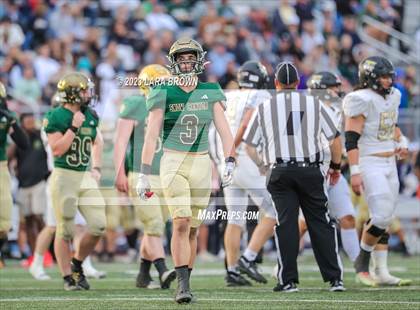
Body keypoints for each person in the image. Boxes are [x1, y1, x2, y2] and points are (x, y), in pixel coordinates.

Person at [137, 38, 235, 303]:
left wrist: (230, 160)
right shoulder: (163, 90)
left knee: (192, 228)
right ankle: (181, 285)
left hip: (202, 163)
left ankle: (186, 281)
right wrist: (144, 172)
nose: (186, 62)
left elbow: (225, 131)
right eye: (181, 58)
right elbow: (151, 134)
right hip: (172, 161)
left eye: (191, 57)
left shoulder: (211, 90)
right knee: (180, 223)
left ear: (199, 60)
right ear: (173, 62)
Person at [243, 62, 345, 292]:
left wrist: (262, 165)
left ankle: (288, 280)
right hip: (309, 169)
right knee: (320, 222)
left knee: (286, 224)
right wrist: (336, 167)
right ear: (298, 83)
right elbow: (335, 140)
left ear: (276, 83)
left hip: (279, 170)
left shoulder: (265, 106)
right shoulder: (315, 103)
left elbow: (249, 145)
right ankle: (334, 278)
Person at [343, 56, 412, 287]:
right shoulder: (360, 99)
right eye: (383, 76)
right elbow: (351, 138)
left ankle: (381, 270)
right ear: (370, 79)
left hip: (390, 161)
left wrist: (401, 140)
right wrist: (354, 171)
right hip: (369, 161)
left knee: (386, 217)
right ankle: (362, 262)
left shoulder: (393, 96)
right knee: (381, 214)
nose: (389, 80)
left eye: (390, 76)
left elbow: (390, 125)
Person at [209, 60, 276, 286]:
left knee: (235, 218)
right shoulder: (259, 96)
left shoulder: (227, 95)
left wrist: (220, 160)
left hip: (226, 165)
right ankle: (247, 258)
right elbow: (247, 123)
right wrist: (231, 150)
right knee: (274, 213)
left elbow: (212, 132)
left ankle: (232, 270)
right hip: (243, 158)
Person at [114, 64, 176, 289]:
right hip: (141, 174)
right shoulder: (135, 104)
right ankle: (162, 270)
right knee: (154, 224)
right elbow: (120, 142)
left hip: (165, 174)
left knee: (155, 228)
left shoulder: (170, 106)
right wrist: (120, 172)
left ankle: (143, 274)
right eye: (162, 83)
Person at [43, 72, 106, 290]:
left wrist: (96, 167)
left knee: (98, 225)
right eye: (84, 90)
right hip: (64, 176)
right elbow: (57, 149)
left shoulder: (90, 114)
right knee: (65, 230)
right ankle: (67, 277)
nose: (89, 93)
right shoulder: (55, 116)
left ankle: (77, 263)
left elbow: (98, 142)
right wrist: (73, 128)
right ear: (72, 93)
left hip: (84, 175)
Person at [301, 71, 360, 263]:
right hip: (312, 172)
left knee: (348, 217)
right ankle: (283, 266)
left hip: (333, 173)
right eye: (334, 88)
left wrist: (338, 156)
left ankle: (360, 267)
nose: (338, 91)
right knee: (303, 224)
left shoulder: (335, 109)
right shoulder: (306, 110)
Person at [10, 113, 49, 255]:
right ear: (22, 124)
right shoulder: (19, 141)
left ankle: (47, 252)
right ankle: (34, 254)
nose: (32, 124)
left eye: (33, 121)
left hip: (39, 182)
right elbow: (9, 157)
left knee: (39, 217)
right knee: (28, 220)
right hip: (23, 185)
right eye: (28, 122)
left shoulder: (41, 136)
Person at [0, 82, 29, 268]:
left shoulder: (6, 117)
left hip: (1, 168)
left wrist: (11, 122)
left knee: (4, 223)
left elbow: (23, 143)